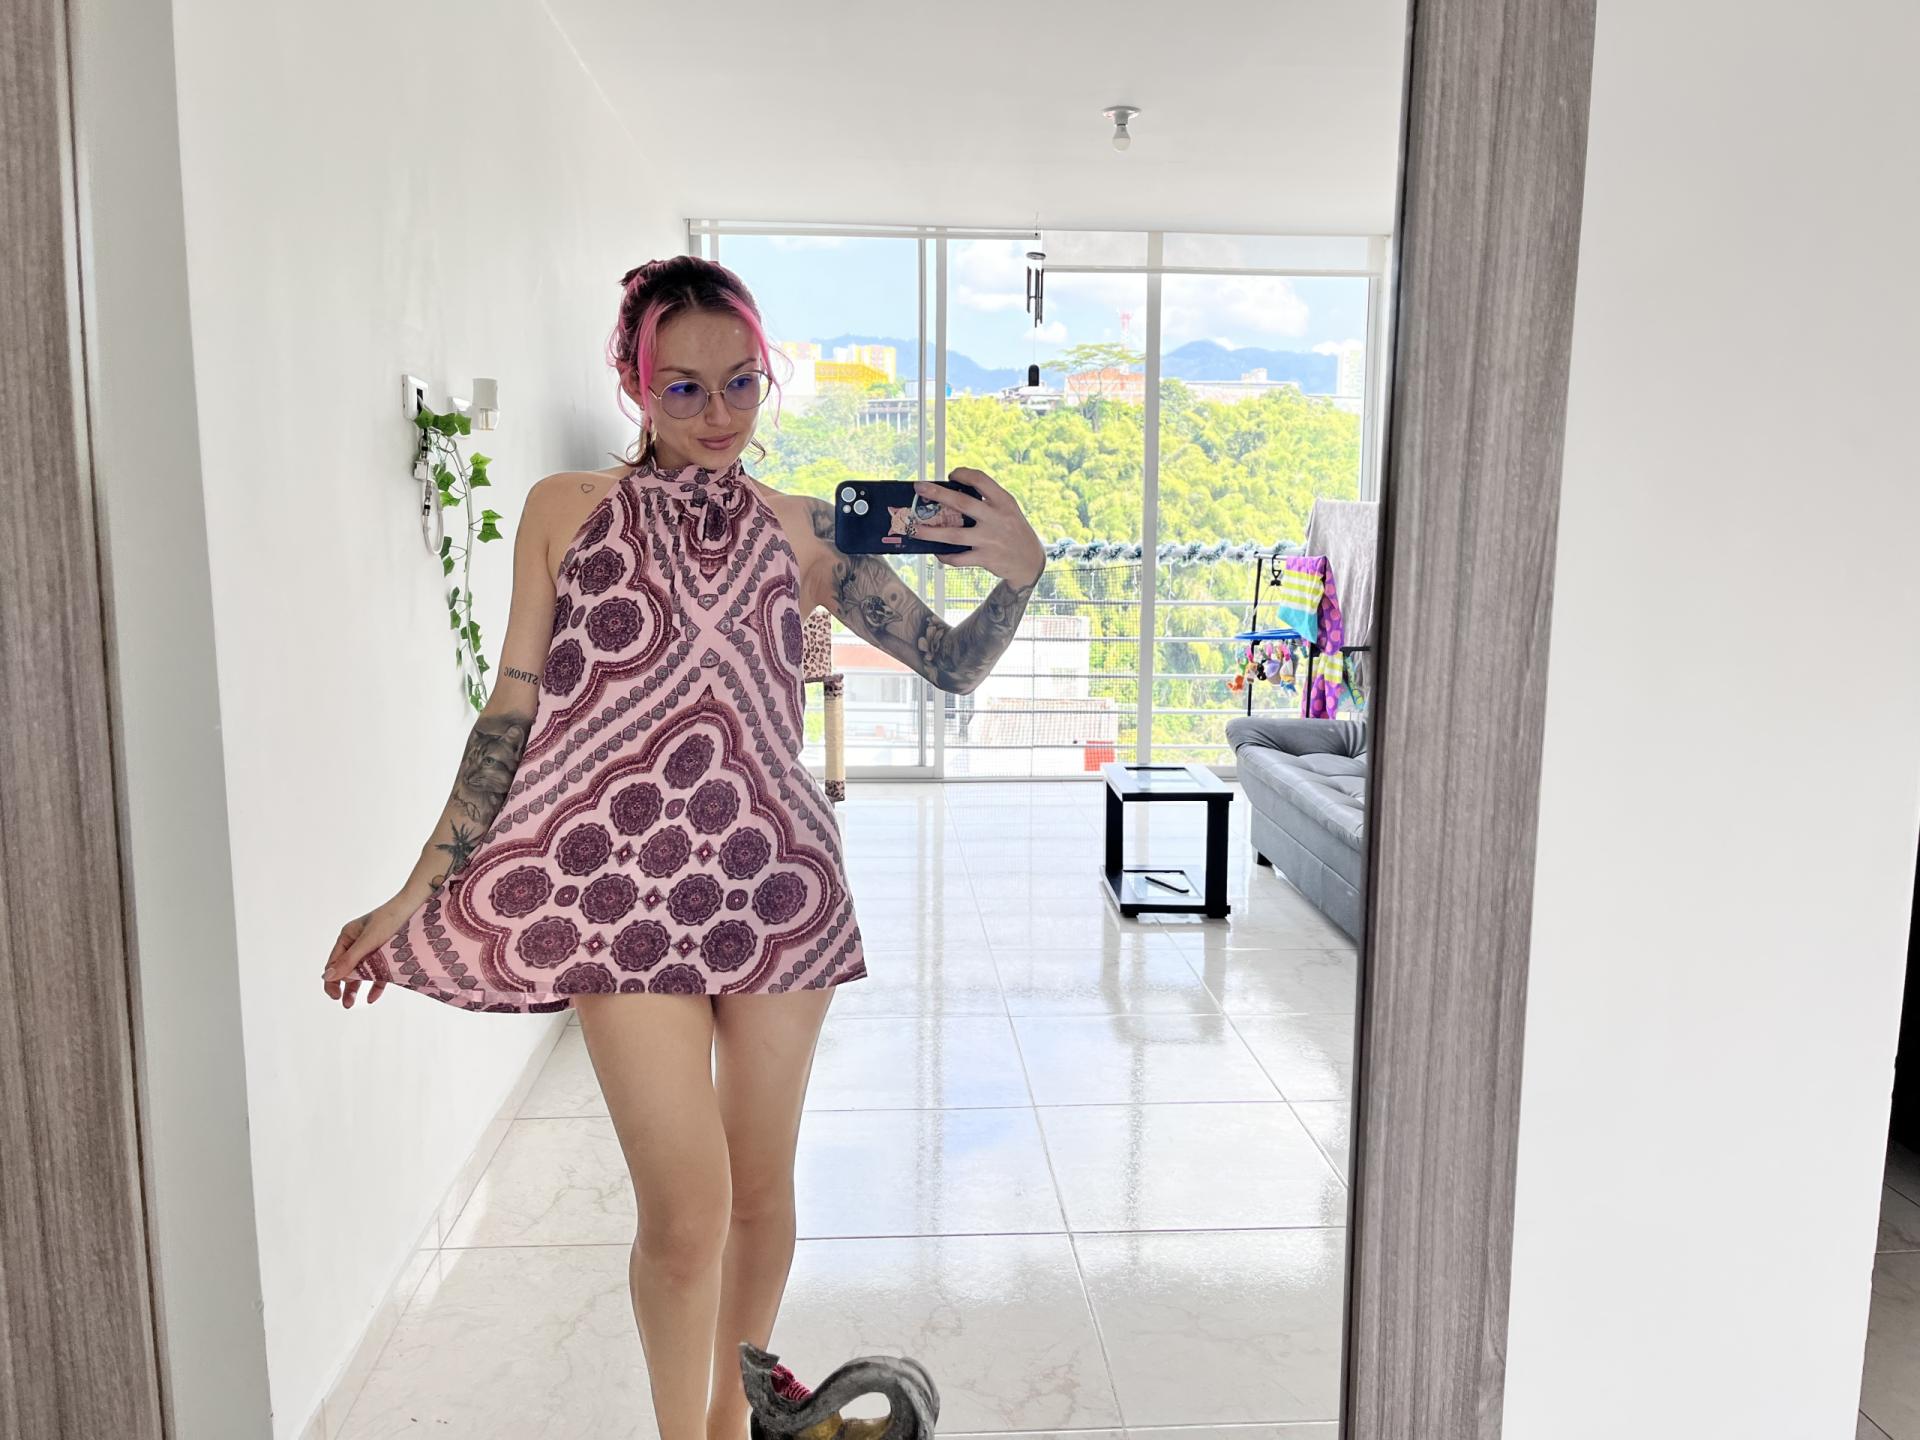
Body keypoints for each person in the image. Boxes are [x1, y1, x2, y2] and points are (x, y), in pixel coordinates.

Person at [319, 254, 1044, 1440]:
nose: (719, 414)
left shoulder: (809, 532)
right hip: (617, 897)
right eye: (685, 388)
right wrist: (415, 891)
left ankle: (731, 1420)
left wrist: (1022, 575)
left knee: (759, 1195)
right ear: (636, 386)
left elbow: (954, 666)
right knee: (684, 1214)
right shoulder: (563, 511)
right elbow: (511, 710)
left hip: (778, 886)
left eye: (742, 382)